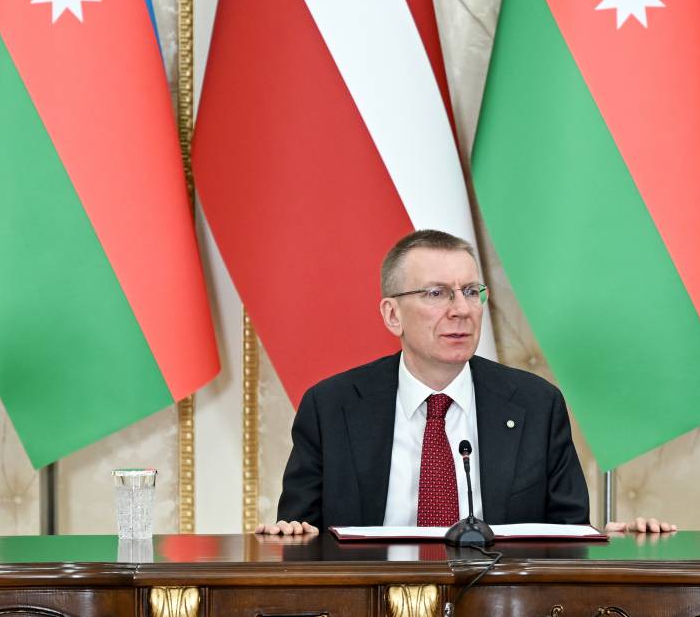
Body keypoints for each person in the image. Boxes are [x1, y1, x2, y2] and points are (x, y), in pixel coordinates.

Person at [257, 229, 674, 536]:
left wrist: (616, 544)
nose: (461, 310)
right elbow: (300, 536)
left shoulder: (536, 405)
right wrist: (288, 535)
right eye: (436, 294)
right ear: (392, 315)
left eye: (471, 292)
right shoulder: (331, 407)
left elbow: (568, 536)